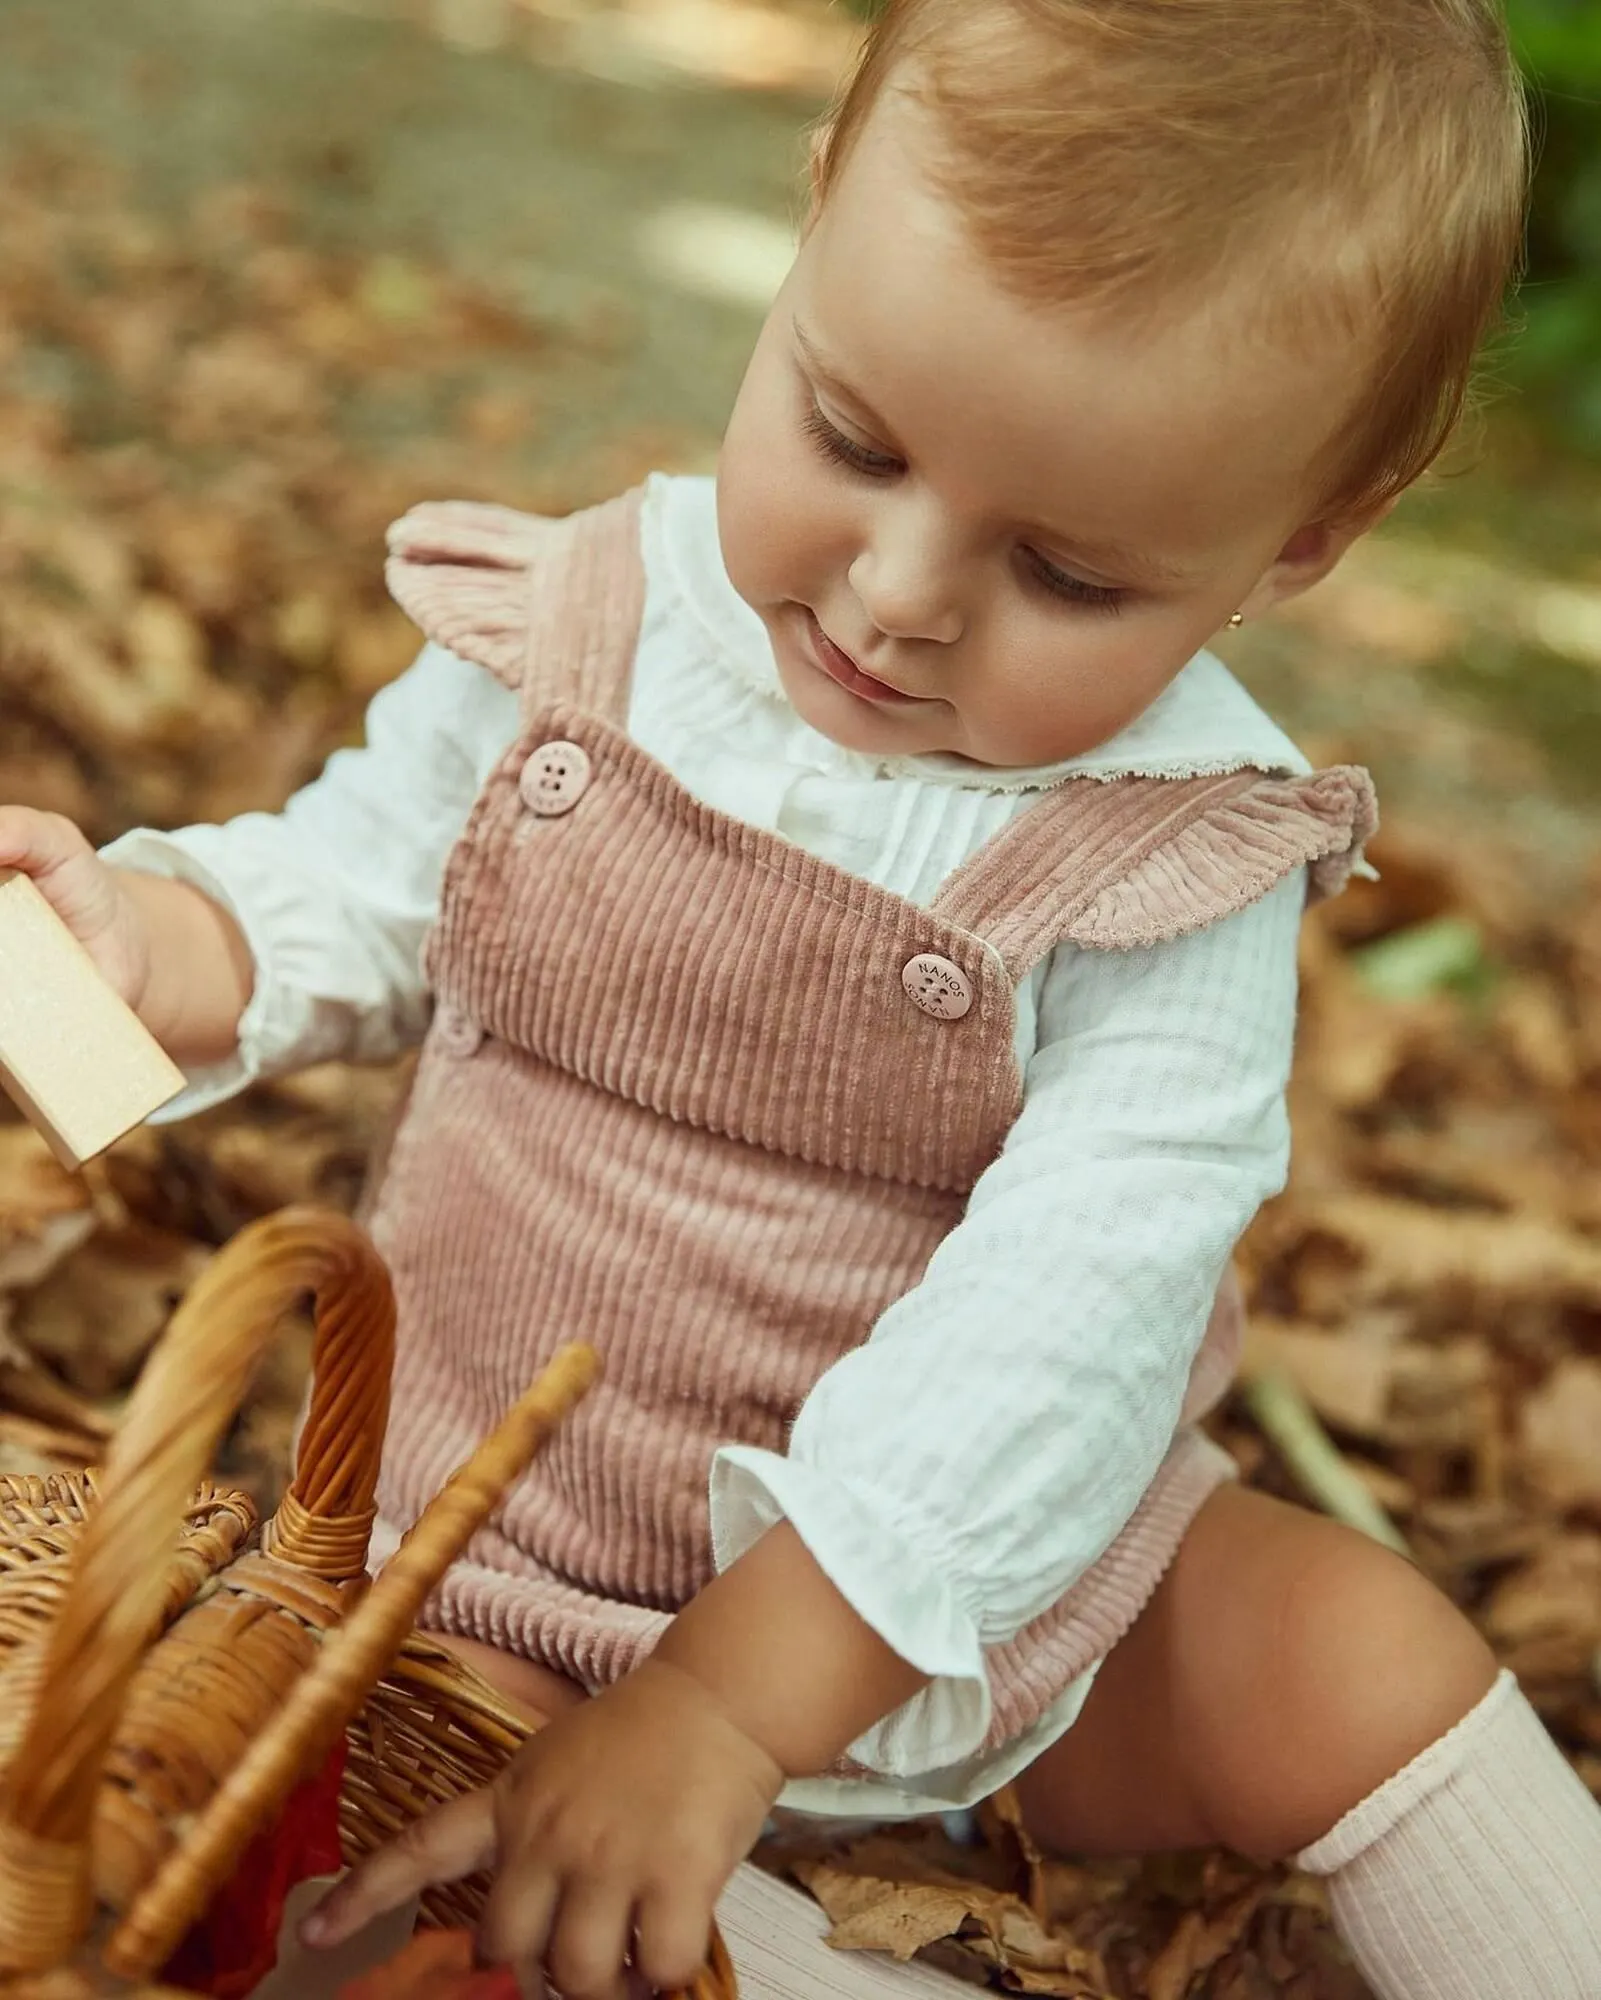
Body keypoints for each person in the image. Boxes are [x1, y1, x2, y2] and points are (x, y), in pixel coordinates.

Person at [5, 2, 1598, 1995]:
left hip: (960, 1592)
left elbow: (1065, 1325)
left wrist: (740, 1705)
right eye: (852, 440)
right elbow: (355, 879)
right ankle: (749, 1939)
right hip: (519, 1547)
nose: (897, 591)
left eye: (1069, 573)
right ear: (811, 212)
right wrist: (145, 953)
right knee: (422, 1861)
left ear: (1300, 537)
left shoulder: (1169, 865)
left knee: (1357, 1654)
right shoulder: (591, 627)